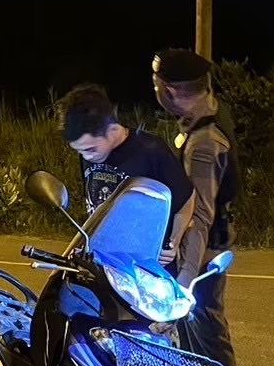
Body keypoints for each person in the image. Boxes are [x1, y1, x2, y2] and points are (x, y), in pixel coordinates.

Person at [151, 47, 258, 366]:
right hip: (207, 248)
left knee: (208, 337)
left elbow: (199, 218)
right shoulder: (206, 116)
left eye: (160, 87)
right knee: (195, 337)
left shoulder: (204, 142)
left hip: (204, 255)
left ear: (173, 92)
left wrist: (184, 282)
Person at [57, 82, 195, 267]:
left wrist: (174, 242)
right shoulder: (89, 152)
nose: (87, 156)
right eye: (79, 151)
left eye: (90, 149)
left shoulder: (151, 151)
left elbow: (186, 198)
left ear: (112, 129)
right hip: (103, 263)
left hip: (145, 267)